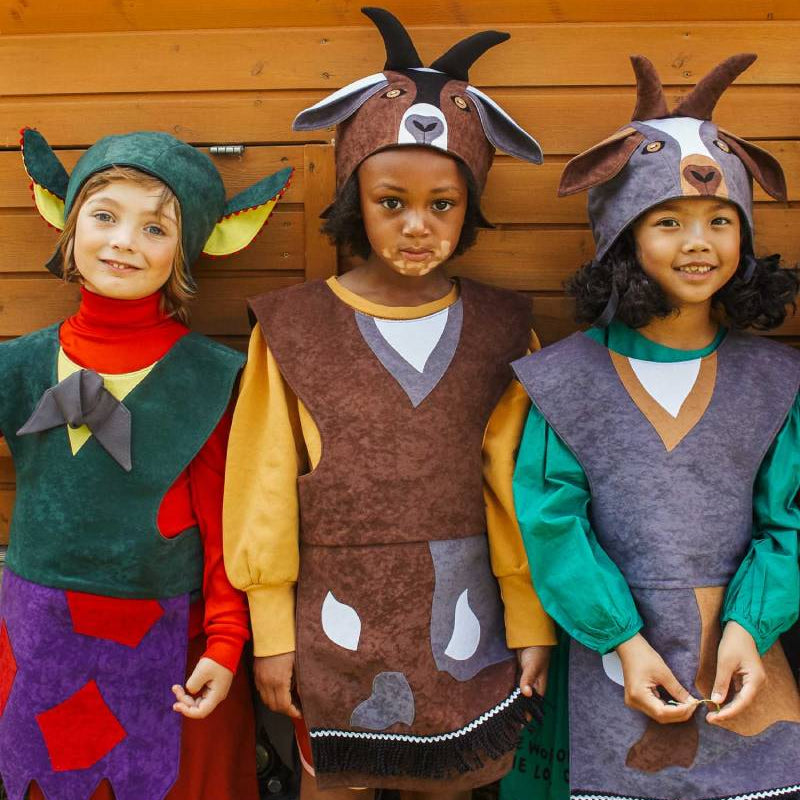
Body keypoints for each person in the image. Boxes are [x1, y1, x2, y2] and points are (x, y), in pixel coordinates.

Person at [224, 7, 556, 797]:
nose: (417, 226)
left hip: (465, 619)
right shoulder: (293, 327)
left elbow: (524, 488)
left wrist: (529, 619)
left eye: (442, 205)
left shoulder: (505, 329)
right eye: (391, 202)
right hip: (333, 620)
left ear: (469, 205)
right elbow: (264, 488)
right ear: (354, 198)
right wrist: (271, 633)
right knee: (332, 783)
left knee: (451, 780)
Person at [512, 54, 800, 800]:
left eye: (719, 221)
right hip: (612, 663)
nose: (697, 242)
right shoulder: (566, 379)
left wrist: (751, 629)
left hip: (743, 659)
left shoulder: (775, 381)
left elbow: (788, 521)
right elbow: (552, 524)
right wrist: (620, 640)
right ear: (622, 241)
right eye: (668, 222)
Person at [0, 128, 292, 800]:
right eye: (104, 217)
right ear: (67, 227)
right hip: (40, 639)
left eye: (155, 228)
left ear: (186, 251)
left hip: (171, 649)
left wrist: (225, 641)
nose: (124, 241)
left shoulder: (209, 377)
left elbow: (229, 521)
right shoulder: (17, 367)